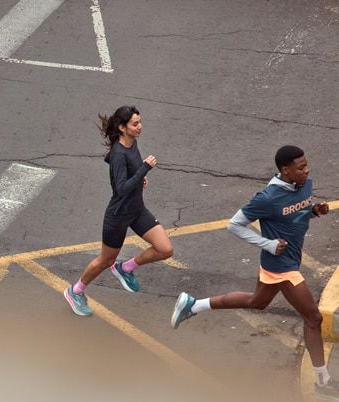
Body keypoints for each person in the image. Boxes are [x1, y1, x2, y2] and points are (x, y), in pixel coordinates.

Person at [170, 145, 339, 401]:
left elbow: (295, 214)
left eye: (306, 165)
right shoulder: (267, 198)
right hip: (281, 266)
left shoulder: (304, 184)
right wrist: (268, 244)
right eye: (301, 167)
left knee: (256, 301)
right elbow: (234, 224)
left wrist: (314, 211)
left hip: (289, 259)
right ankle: (322, 382)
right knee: (313, 318)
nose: (307, 170)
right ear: (285, 170)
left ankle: (193, 305)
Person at [64, 106, 174, 316]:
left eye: (140, 122)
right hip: (119, 215)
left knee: (165, 249)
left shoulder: (132, 144)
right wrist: (144, 169)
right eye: (135, 124)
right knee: (105, 260)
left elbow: (127, 175)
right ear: (123, 128)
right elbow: (121, 188)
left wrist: (138, 175)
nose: (140, 126)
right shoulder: (118, 154)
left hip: (137, 210)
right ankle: (75, 291)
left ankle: (126, 268)